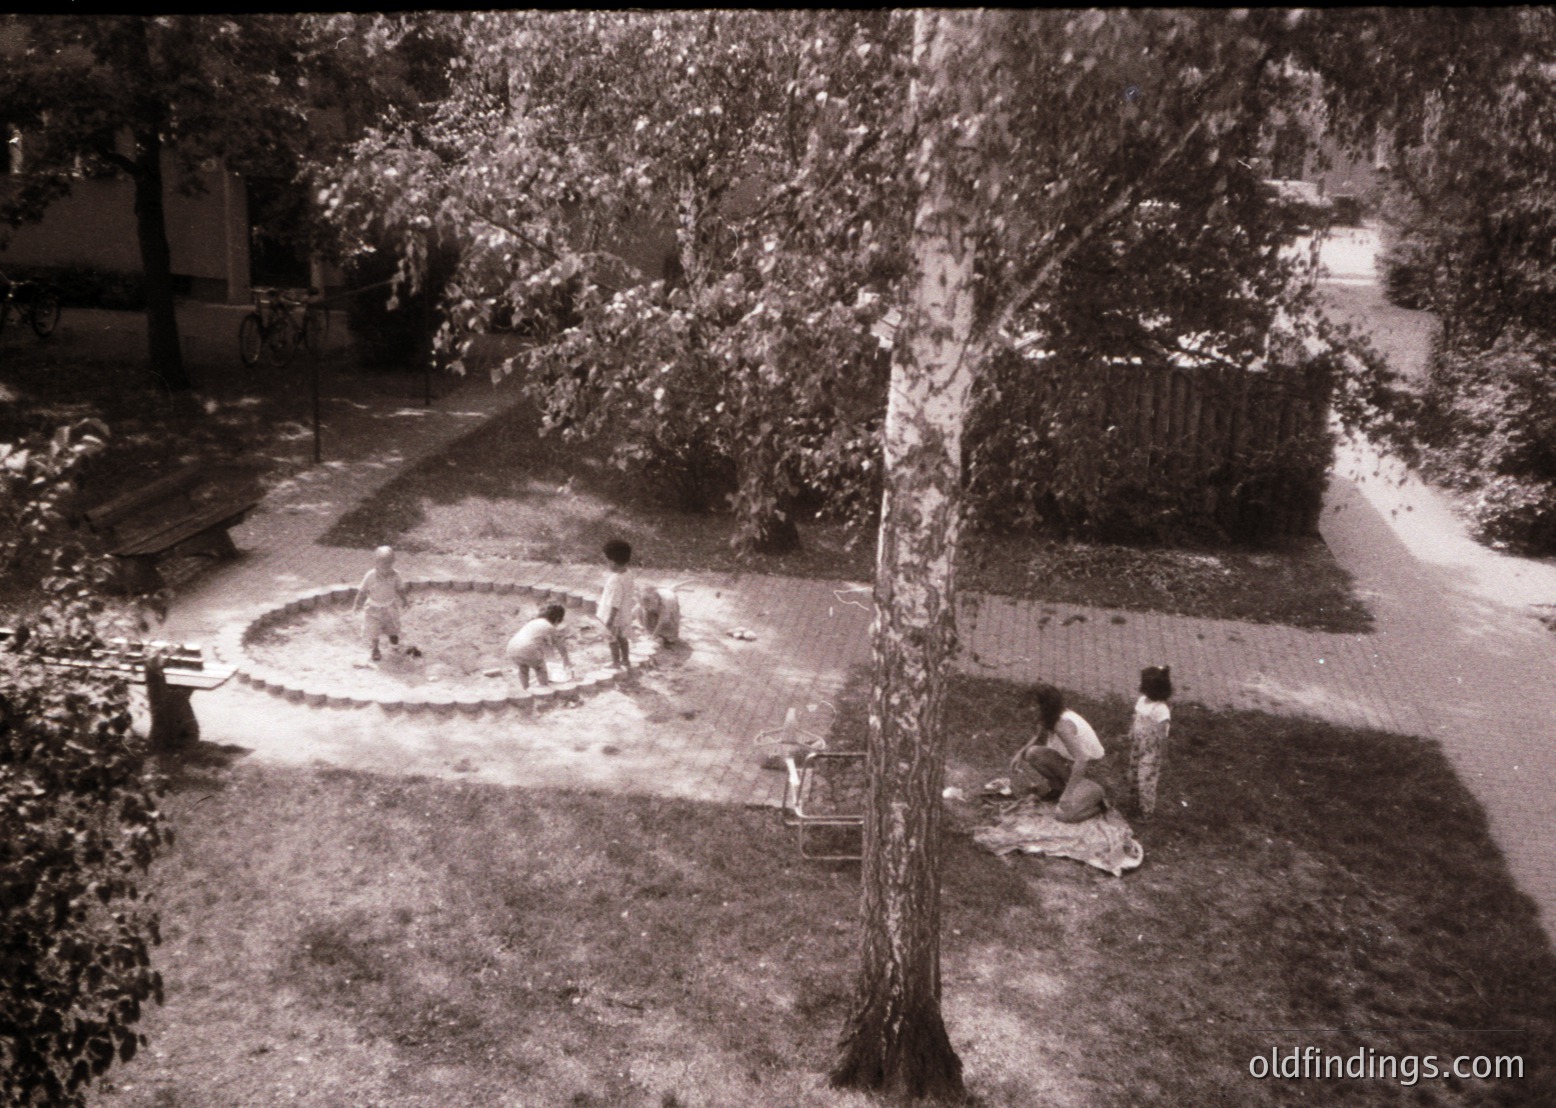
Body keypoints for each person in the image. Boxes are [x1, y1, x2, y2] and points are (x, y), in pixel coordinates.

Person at [1009, 683, 1107, 823]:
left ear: (1045, 706)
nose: (1029, 709)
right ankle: (1059, 788)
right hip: (1071, 764)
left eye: (1033, 706)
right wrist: (1020, 753)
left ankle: (1100, 805)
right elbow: (1039, 736)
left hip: (1090, 772)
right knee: (1032, 753)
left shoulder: (1063, 725)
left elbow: (1082, 760)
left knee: (1062, 815)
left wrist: (1067, 795)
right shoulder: (1052, 716)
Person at [1127, 665, 1174, 820]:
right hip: (1138, 744)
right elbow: (1136, 717)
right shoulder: (1142, 700)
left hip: (1151, 750)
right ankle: (1134, 799)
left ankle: (1146, 810)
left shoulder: (1161, 710)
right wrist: (1131, 730)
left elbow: (1162, 736)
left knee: (1146, 779)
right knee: (1133, 772)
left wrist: (1163, 756)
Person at [353, 546, 407, 663]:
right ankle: (375, 649)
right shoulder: (370, 576)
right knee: (373, 630)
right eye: (383, 565)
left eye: (389, 564)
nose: (386, 568)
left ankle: (394, 644)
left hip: (390, 607)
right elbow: (362, 591)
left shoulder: (395, 575)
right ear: (376, 563)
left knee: (393, 627)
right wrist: (357, 604)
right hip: (373, 608)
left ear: (393, 562)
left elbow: (400, 589)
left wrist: (404, 600)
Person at [505, 604, 574, 689]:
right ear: (557, 619)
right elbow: (560, 646)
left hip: (511, 648)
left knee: (523, 668)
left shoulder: (535, 622)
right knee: (540, 670)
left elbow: (542, 644)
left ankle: (525, 690)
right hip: (527, 648)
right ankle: (544, 691)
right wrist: (566, 661)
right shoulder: (549, 627)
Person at [598, 538, 637, 669]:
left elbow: (614, 604)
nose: (607, 565)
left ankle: (615, 663)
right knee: (622, 638)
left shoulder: (615, 579)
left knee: (612, 640)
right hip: (624, 614)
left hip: (614, 617)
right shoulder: (629, 573)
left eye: (607, 561)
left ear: (613, 562)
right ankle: (625, 660)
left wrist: (609, 622)